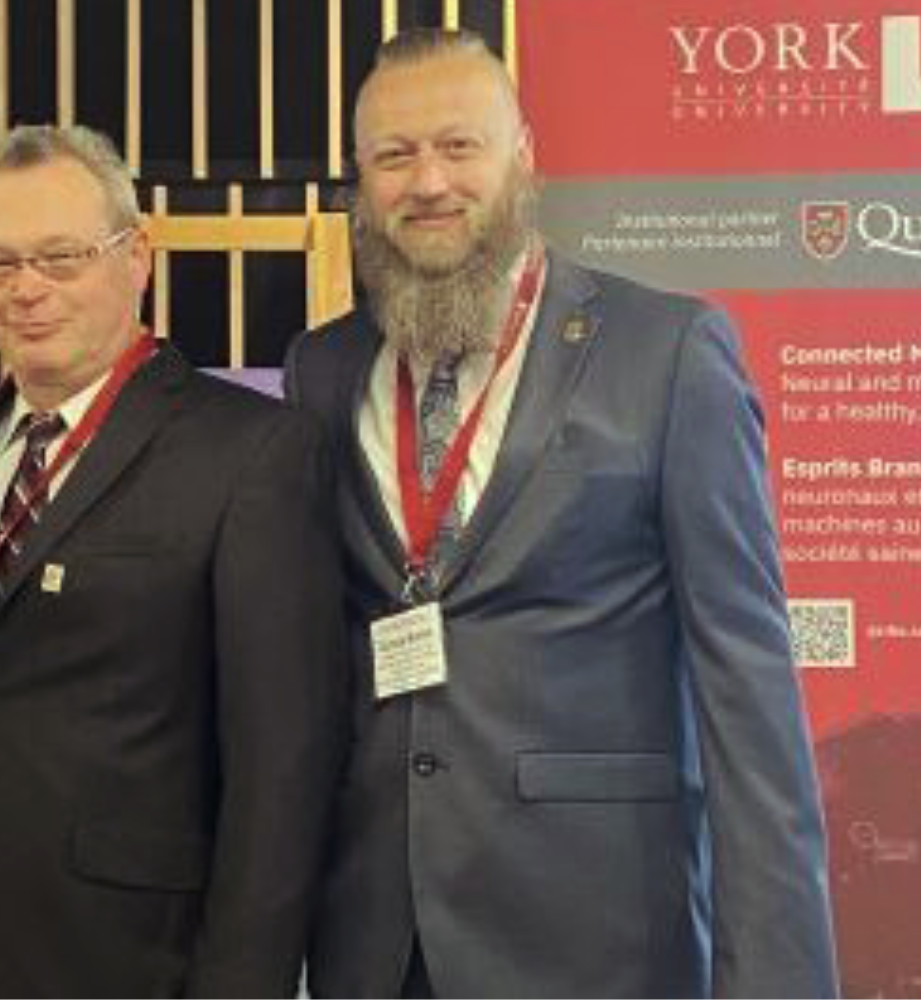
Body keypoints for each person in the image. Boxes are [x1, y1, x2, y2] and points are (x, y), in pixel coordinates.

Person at [288, 31, 840, 999]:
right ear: (359, 182)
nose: (427, 182)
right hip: (376, 944)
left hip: (597, 943)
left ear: (524, 157)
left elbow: (749, 705)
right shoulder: (321, 370)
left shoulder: (667, 354)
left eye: (459, 147)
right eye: (392, 156)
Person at [0, 124, 351, 998]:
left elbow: (283, 769)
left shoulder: (251, 451)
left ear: (136, 258)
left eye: (61, 257)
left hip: (137, 959)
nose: (27, 290)